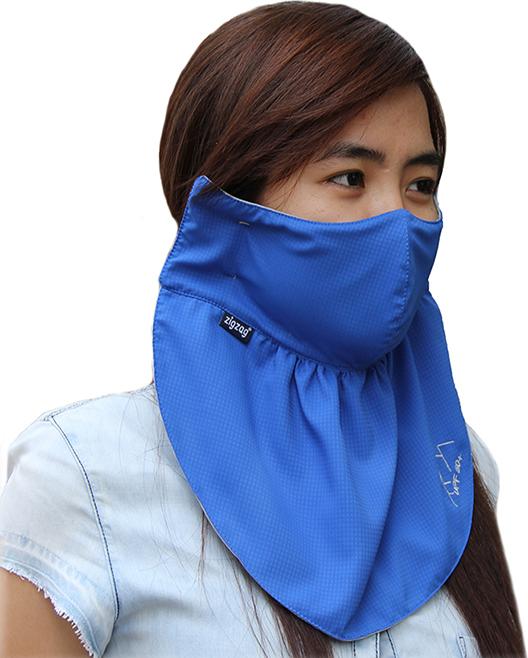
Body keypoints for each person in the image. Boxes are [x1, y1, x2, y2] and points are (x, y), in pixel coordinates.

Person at [0, 3, 525, 657]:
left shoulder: (458, 466)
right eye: (350, 178)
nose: (398, 219)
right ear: (231, 206)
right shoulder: (85, 477)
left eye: (421, 183)